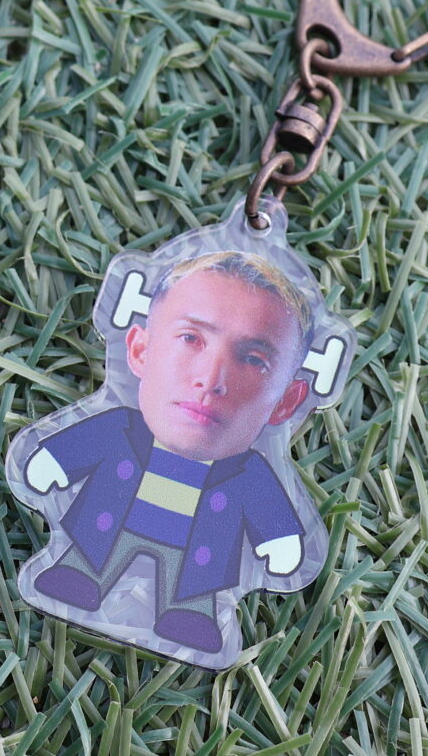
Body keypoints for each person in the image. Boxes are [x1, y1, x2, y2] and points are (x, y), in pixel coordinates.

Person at [21, 251, 315, 654]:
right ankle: (82, 572)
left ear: (286, 401)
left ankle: (191, 611)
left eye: (252, 359)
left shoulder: (247, 474)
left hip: (194, 555)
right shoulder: (120, 429)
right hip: (110, 528)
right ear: (141, 351)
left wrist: (279, 538)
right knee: (89, 558)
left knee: (193, 592)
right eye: (191, 338)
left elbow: (265, 505)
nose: (210, 379)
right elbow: (87, 444)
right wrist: (55, 461)